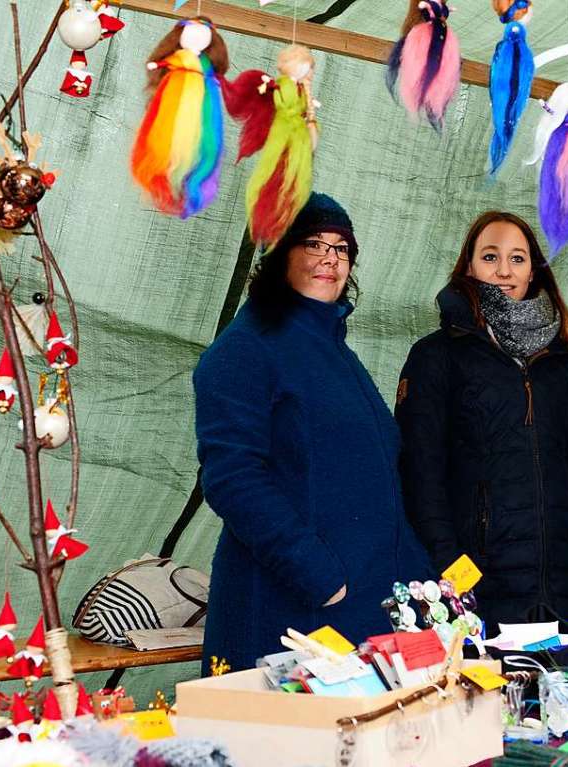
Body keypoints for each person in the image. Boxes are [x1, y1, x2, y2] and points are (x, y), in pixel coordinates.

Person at [193, 193, 431, 673]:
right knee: (293, 742)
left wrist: (419, 577)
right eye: (313, 244)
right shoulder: (245, 348)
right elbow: (232, 477)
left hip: (366, 605)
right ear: (279, 253)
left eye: (341, 249)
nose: (330, 258)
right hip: (296, 608)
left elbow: (376, 480)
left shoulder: (335, 350)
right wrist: (316, 574)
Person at [395, 210, 568, 629]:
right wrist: (455, 581)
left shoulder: (559, 360)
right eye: (490, 257)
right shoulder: (436, 355)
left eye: (517, 258)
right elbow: (419, 479)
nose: (504, 270)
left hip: (563, 597)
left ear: (533, 270)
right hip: (478, 600)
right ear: (468, 266)